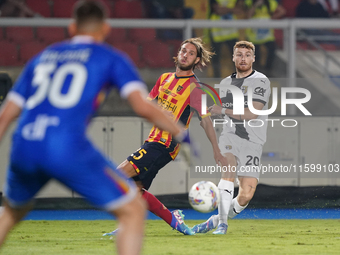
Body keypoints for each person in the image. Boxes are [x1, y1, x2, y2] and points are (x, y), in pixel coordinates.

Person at [0, 1, 190, 254]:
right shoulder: (110, 57)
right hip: (64, 145)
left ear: (71, 27)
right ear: (105, 28)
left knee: (12, 211)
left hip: (24, 145)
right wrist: (178, 132)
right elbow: (143, 107)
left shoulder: (42, 57)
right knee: (132, 209)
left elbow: (5, 117)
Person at [103, 37, 227, 236]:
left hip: (165, 145)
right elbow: (147, 105)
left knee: (116, 176)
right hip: (151, 141)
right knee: (136, 191)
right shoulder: (164, 79)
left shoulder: (195, 88)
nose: (185, 55)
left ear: (196, 61)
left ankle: (136, 224)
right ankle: (170, 220)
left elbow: (205, 121)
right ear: (178, 54)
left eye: (191, 53)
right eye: (183, 51)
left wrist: (216, 150)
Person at [191, 40, 271, 234]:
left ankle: (214, 220)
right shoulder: (226, 83)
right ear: (233, 57)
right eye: (239, 54)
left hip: (253, 142)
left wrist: (222, 109)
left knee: (245, 195)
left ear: (253, 58)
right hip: (230, 136)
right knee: (228, 168)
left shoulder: (261, 81)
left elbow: (252, 113)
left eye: (247, 55)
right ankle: (222, 225)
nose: (243, 58)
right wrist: (214, 114)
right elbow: (227, 111)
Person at [245, 0, 285, 76]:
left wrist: (272, 18)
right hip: (254, 35)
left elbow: (282, 11)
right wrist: (255, 5)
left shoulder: (270, 2)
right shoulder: (249, 2)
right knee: (256, 55)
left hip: (267, 34)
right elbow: (248, 16)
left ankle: (268, 70)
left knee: (272, 49)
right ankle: (256, 73)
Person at [208, 0, 244, 78]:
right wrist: (231, 9)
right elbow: (218, 10)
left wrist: (225, 9)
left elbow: (239, 10)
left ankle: (238, 78)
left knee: (237, 56)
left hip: (231, 31)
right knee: (216, 57)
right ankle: (216, 78)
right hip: (217, 31)